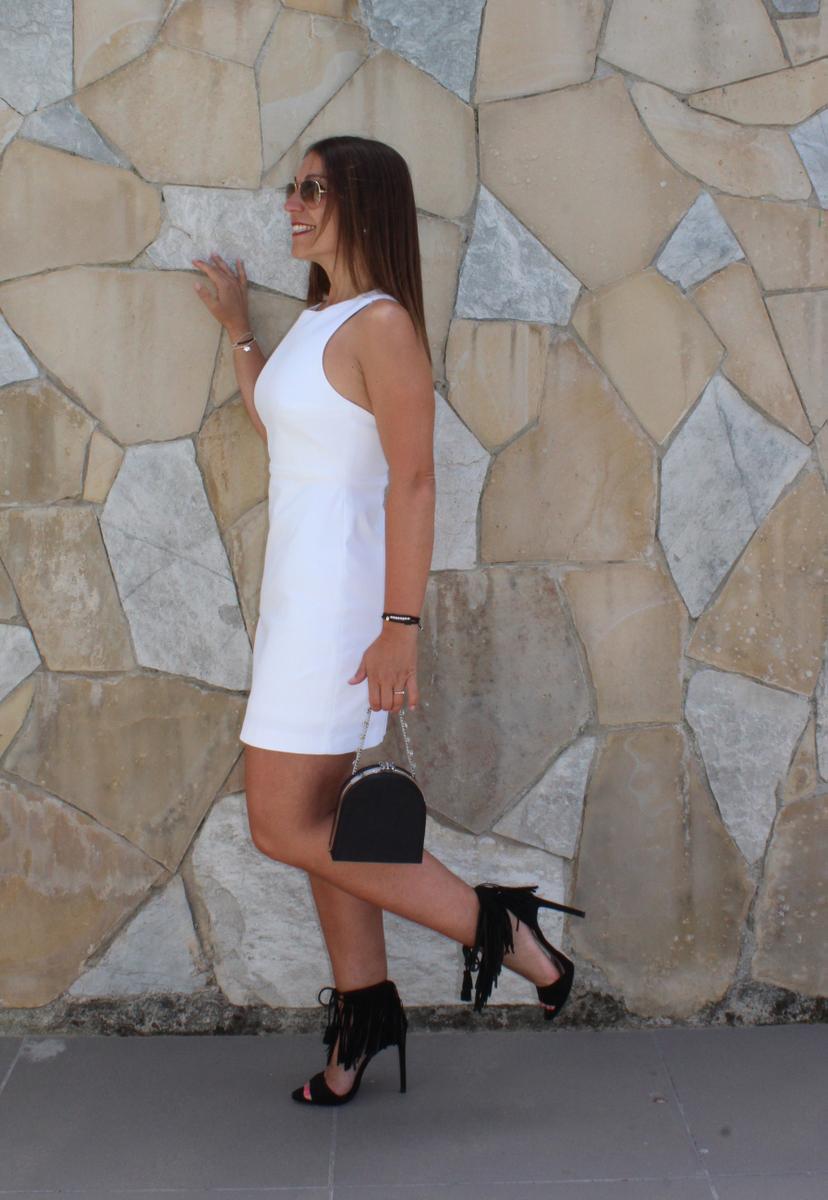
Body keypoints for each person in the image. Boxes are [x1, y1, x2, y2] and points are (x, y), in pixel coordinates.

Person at [192, 135, 585, 1107]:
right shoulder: (322, 321)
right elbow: (282, 423)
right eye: (292, 188)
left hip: (339, 615)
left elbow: (414, 481)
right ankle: (364, 1017)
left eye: (312, 189)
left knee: (282, 825)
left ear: (362, 202)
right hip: (295, 607)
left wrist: (399, 624)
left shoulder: (384, 326)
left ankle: (506, 932)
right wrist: (241, 333)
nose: (292, 204)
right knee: (325, 826)